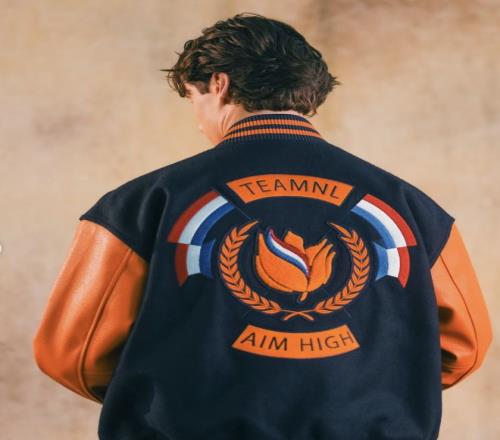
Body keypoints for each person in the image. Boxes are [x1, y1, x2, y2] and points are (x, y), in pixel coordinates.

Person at [32, 12, 493, 440]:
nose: (199, 122)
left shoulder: (139, 204)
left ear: (219, 84)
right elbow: (465, 346)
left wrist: (171, 394)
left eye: (193, 99)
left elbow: (71, 354)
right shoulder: (413, 209)